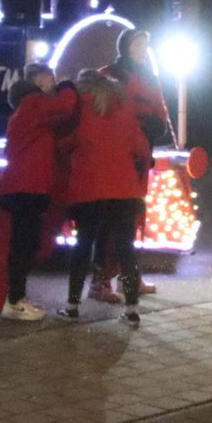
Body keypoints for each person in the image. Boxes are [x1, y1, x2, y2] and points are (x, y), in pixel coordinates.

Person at [56, 69, 152, 327]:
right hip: (124, 192)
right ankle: (132, 310)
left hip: (88, 191)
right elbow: (141, 149)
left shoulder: (78, 113)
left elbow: (63, 145)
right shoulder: (123, 112)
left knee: (82, 247)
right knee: (125, 250)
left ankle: (72, 306)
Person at [90, 28, 174, 303]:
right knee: (109, 219)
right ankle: (100, 280)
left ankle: (130, 277)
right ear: (125, 47)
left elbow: (162, 114)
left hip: (140, 158)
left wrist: (157, 126)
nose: (142, 50)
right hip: (116, 158)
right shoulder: (110, 74)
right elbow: (102, 110)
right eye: (138, 44)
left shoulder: (150, 77)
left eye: (145, 45)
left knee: (134, 218)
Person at [0, 63, 76, 321]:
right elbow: (65, 106)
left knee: (25, 244)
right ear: (39, 81)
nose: (53, 82)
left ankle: (16, 297)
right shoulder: (33, 104)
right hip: (26, 188)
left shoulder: (27, 110)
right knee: (24, 245)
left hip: (25, 186)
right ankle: (14, 301)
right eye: (50, 78)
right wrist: (67, 86)